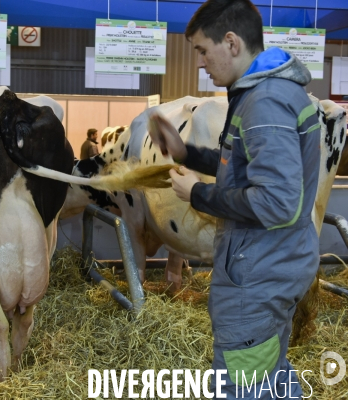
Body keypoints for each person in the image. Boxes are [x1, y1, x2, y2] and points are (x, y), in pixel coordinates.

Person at [148, 0, 320, 398]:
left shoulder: (265, 103)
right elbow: (238, 164)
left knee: (244, 384)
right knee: (268, 372)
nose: (202, 63)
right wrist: (187, 153)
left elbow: (276, 202)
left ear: (231, 42)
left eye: (203, 51)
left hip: (259, 272)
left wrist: (197, 194)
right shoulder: (266, 94)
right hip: (275, 262)